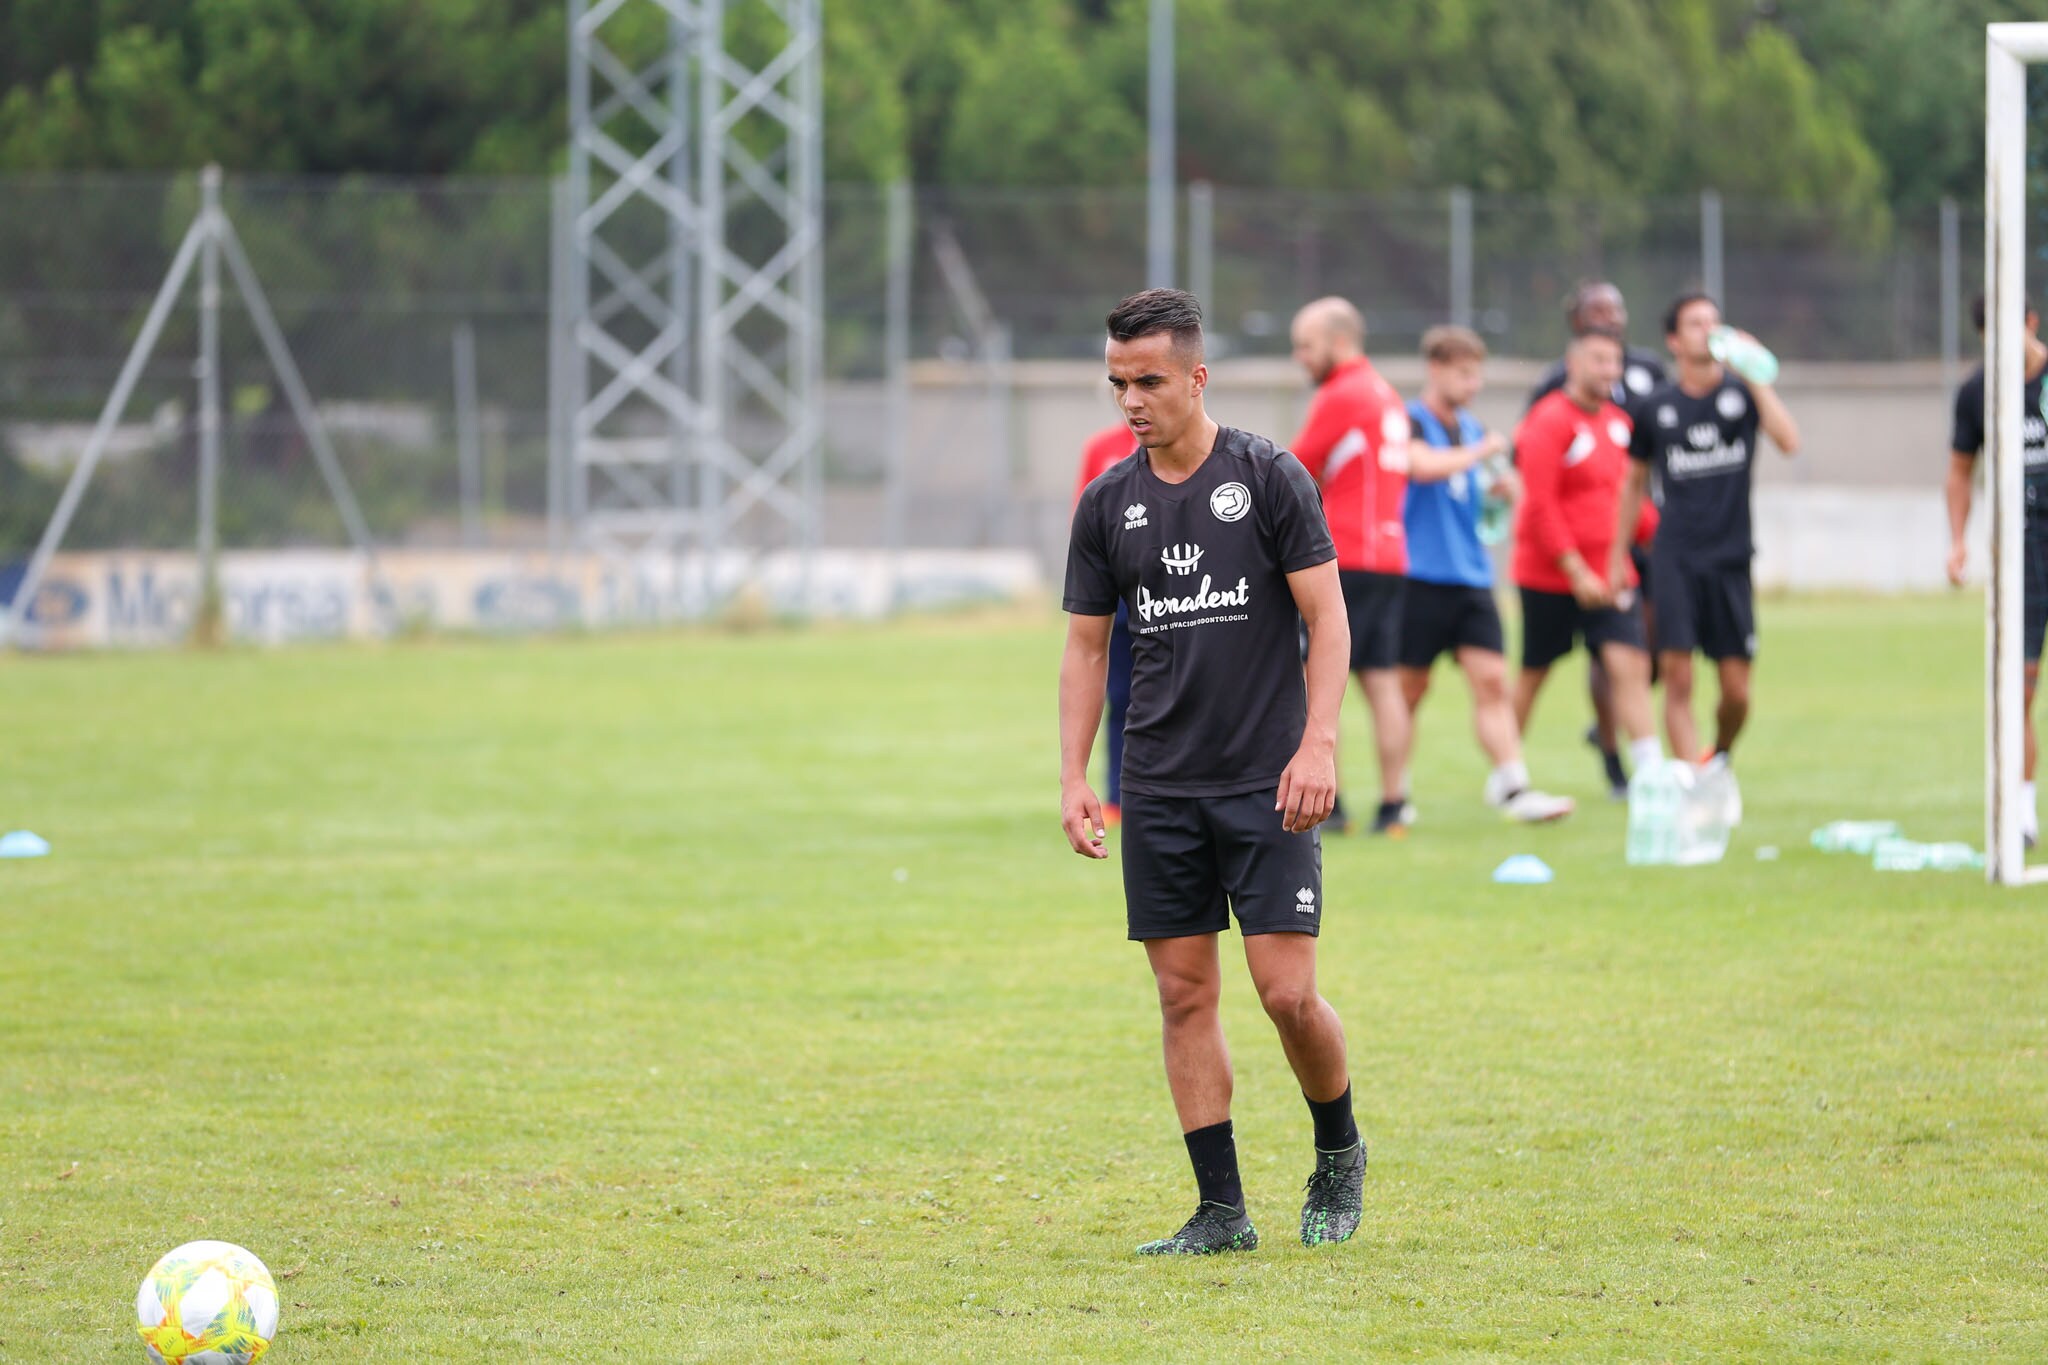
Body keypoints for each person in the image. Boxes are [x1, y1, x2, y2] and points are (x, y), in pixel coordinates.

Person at [1060, 288, 1366, 1256]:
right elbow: (1081, 652)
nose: (1130, 401)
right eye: (1116, 383)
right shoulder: (1106, 504)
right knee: (1182, 995)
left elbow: (1328, 621)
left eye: (1147, 381)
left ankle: (1338, 1146)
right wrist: (1075, 776)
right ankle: (1220, 1211)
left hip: (1267, 779)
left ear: (1197, 378)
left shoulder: (1267, 477)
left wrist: (1318, 742)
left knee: (1285, 995)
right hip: (1157, 783)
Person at [1614, 293, 1800, 791]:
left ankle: (1717, 755)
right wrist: (1616, 557)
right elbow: (1632, 485)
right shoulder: (1656, 408)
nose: (1708, 331)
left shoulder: (1742, 397)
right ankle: (1695, 785)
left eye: (1715, 322)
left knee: (1737, 691)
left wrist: (1756, 375)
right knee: (1678, 678)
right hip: (1674, 558)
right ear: (1674, 340)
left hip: (1731, 558)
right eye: (1696, 324)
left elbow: (1789, 440)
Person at [1398, 326, 1574, 823]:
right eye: (1464, 373)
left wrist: (1502, 490)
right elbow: (1421, 467)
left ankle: (1513, 787)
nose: (1473, 385)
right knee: (1411, 689)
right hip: (1421, 575)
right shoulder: (1409, 420)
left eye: (1477, 374)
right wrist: (1480, 457)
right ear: (1436, 370)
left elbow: (1483, 492)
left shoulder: (1473, 430)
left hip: (1472, 576)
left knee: (1493, 681)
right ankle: (1399, 790)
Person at [1526, 282, 1667, 799]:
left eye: (1615, 362)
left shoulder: (1622, 416)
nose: (1610, 370)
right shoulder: (1549, 412)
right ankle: (1510, 774)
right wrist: (1574, 569)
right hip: (1553, 573)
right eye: (1599, 359)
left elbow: (1628, 494)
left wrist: (1659, 539)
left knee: (1629, 660)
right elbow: (1539, 501)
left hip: (1613, 567)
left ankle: (1649, 771)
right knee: (1531, 675)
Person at [1287, 296, 1415, 835]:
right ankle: (1395, 804)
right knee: (1382, 680)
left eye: (1306, 346)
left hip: (1344, 556)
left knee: (1310, 676)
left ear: (1339, 343)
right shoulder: (1387, 394)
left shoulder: (1342, 394)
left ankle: (1327, 803)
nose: (1300, 359)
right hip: (1390, 554)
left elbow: (1291, 469)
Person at [1946, 293, 2048, 846]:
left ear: (2031, 323)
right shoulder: (1976, 393)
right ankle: (2023, 813)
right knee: (2020, 683)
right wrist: (1958, 541)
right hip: (2022, 549)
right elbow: (1960, 470)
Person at [1075, 423, 1139, 826]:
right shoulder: (1102, 448)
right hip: (1120, 595)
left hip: (1176, 590)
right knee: (1120, 697)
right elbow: (1084, 521)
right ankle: (1117, 796)